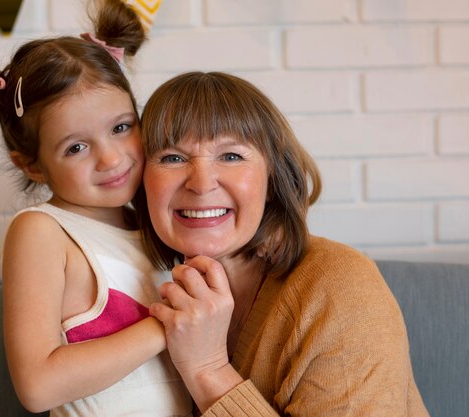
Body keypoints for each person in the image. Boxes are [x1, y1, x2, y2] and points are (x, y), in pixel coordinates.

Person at [134, 71, 430, 416]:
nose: (200, 184)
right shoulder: (144, 290)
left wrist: (208, 369)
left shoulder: (339, 285)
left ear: (272, 179)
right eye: (173, 157)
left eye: (231, 156)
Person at [0, 1, 191, 416]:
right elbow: (38, 387)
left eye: (121, 127)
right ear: (32, 165)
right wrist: (167, 325)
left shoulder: (155, 223)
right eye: (76, 147)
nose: (111, 159)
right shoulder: (43, 231)